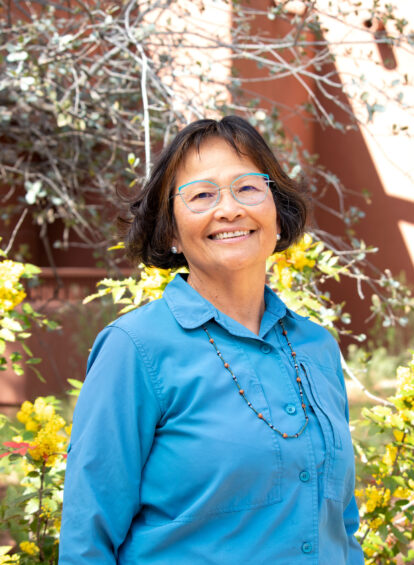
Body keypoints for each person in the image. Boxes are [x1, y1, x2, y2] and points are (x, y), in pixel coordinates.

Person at [59, 116, 365, 564]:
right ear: (170, 232)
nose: (229, 209)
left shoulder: (316, 347)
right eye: (202, 195)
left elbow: (341, 525)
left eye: (248, 187)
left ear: (277, 212)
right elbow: (88, 541)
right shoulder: (135, 348)